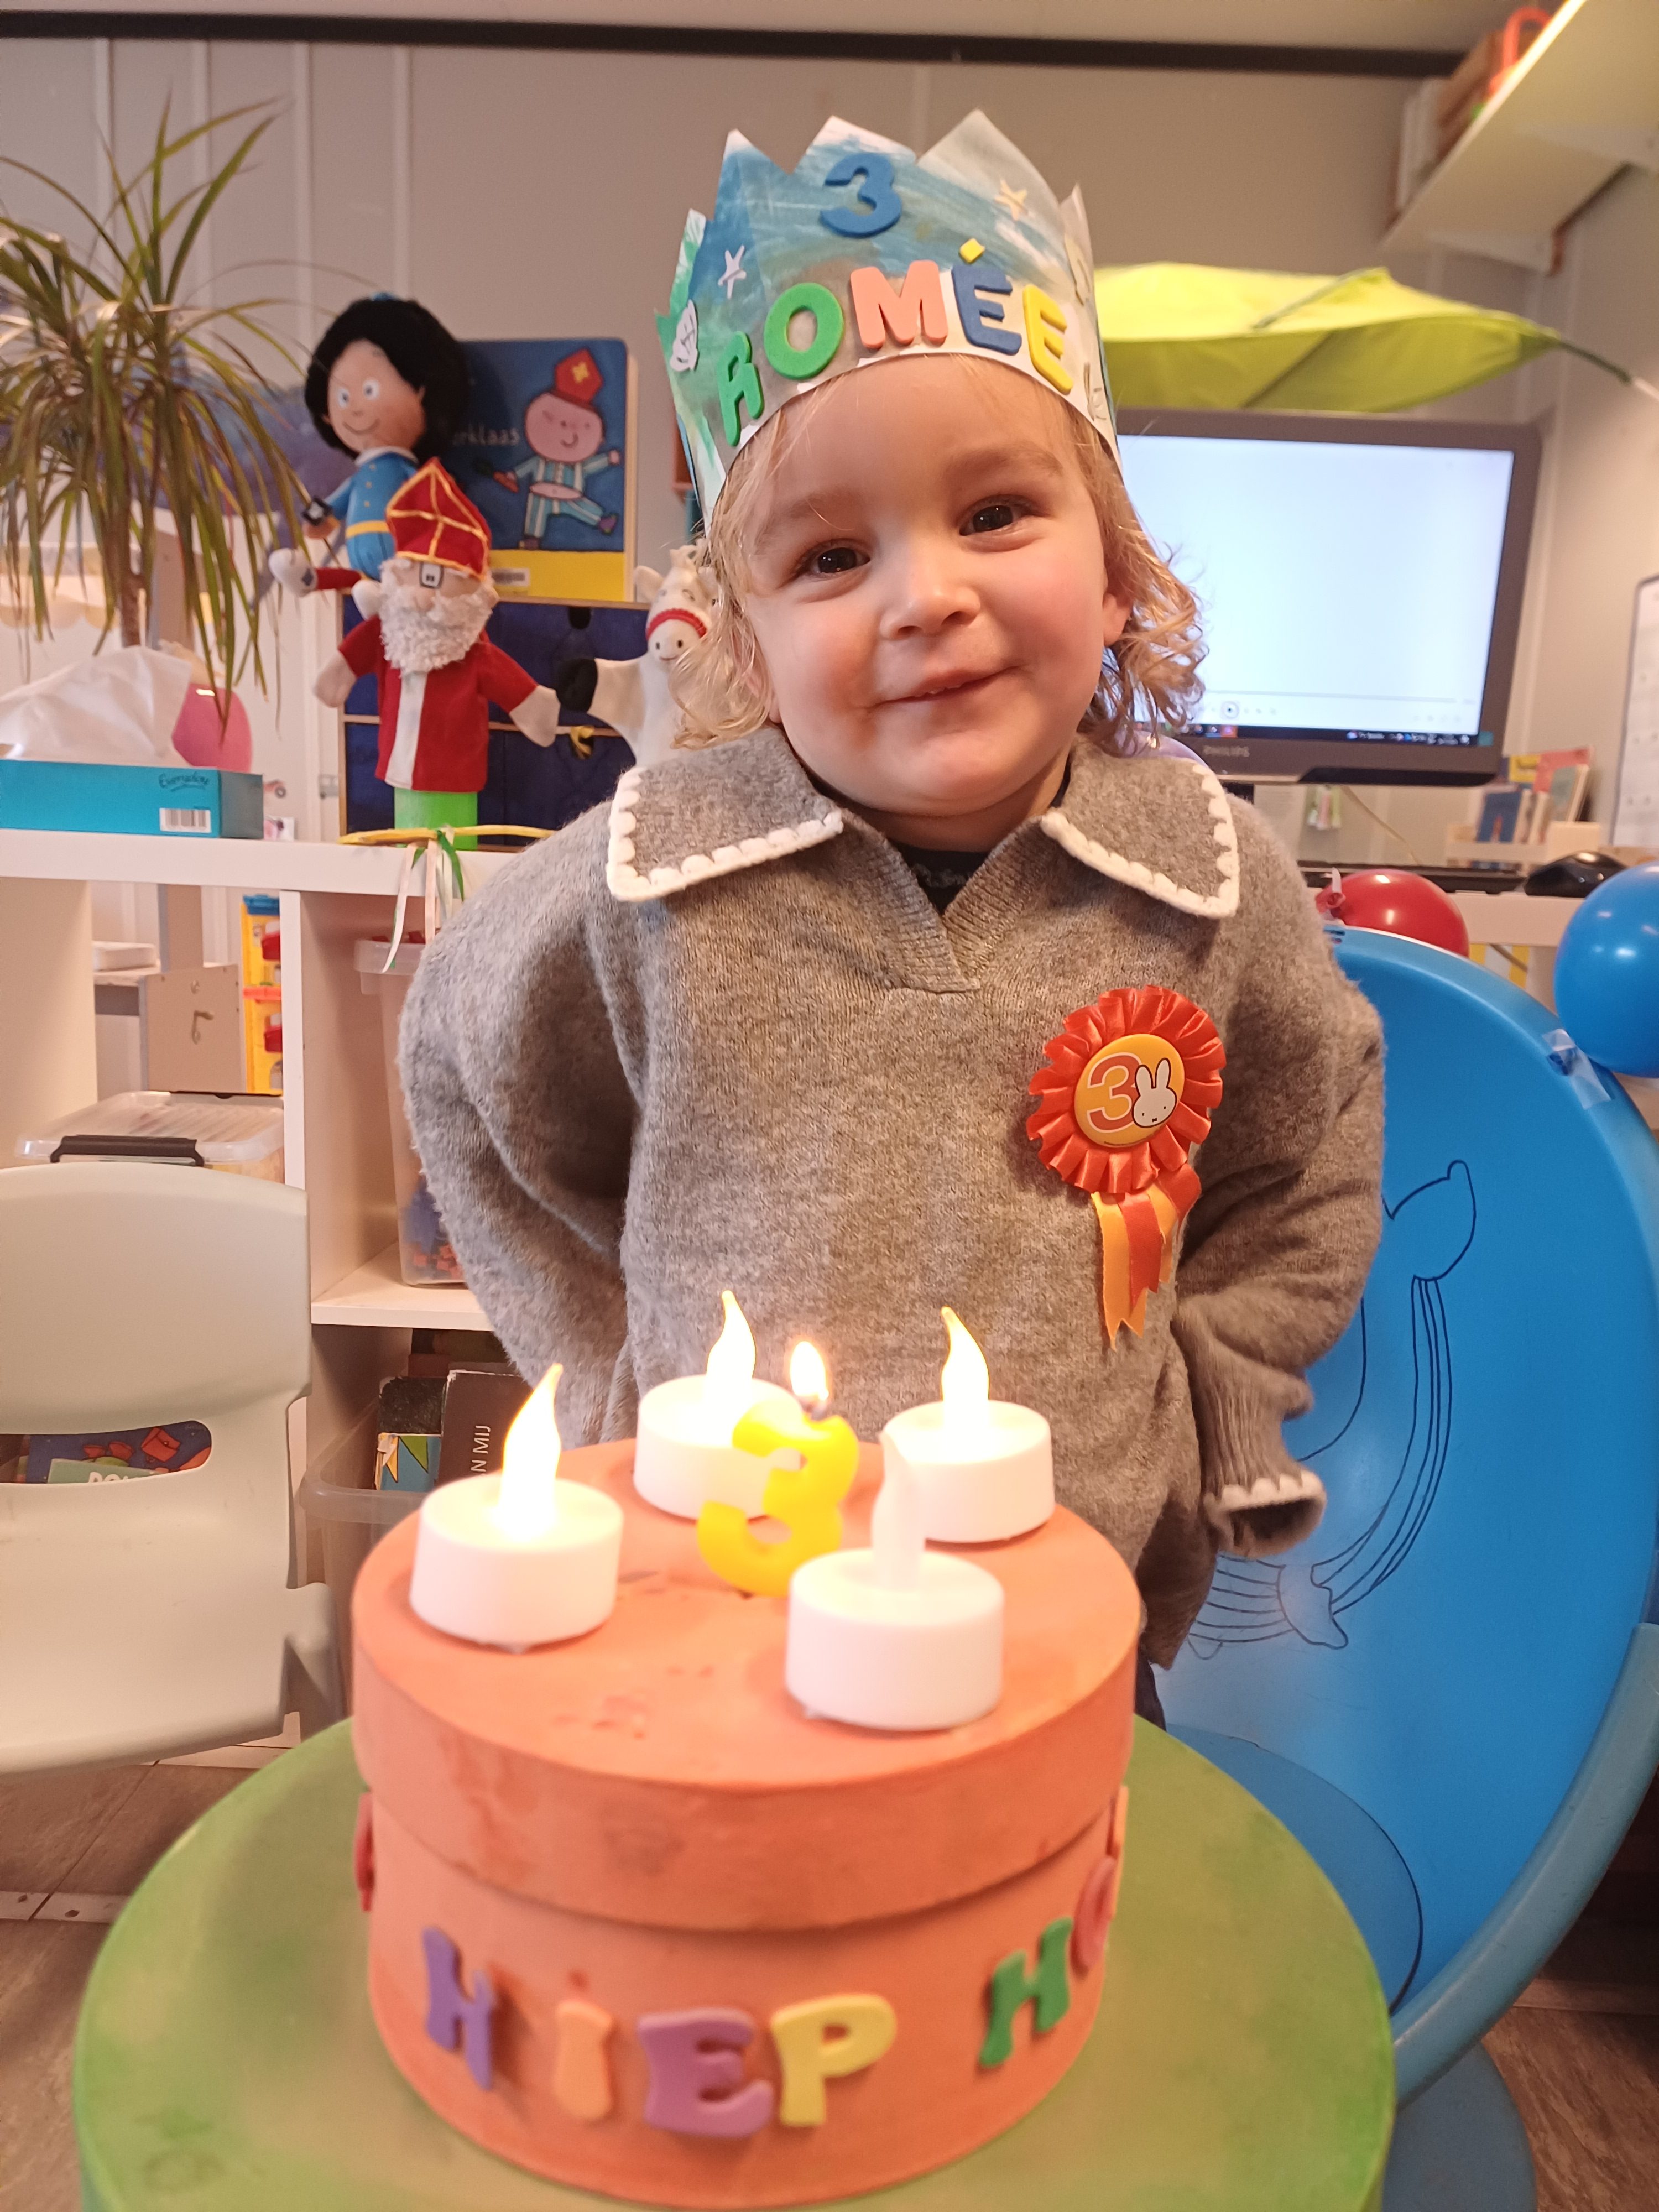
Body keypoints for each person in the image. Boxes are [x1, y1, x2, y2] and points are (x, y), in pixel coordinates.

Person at [400, 113, 1384, 1716]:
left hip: (1068, 1628)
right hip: (713, 1629)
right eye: (832, 554)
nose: (927, 594)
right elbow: (462, 1065)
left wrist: (1213, 1385)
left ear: (1116, 570)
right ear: (743, 639)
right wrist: (612, 1386)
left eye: (994, 514)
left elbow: (1306, 1148)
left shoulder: (1210, 876)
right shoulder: (646, 876)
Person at [314, 460, 560, 831]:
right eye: (417, 577)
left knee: (453, 853)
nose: (423, 596)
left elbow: (511, 685)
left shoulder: (472, 652)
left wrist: (538, 708)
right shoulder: (389, 631)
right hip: (399, 766)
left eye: (435, 580)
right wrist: (333, 679)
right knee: (409, 851)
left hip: (456, 776)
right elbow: (353, 656)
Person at [271, 295, 469, 615]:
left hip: (404, 563)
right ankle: (308, 579)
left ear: (423, 390)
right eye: (344, 397)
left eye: (369, 392)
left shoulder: (409, 474)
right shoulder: (358, 478)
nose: (356, 408)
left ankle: (384, 597)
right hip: (361, 563)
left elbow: (435, 501)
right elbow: (334, 504)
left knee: (381, 586)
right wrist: (316, 519)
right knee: (356, 580)